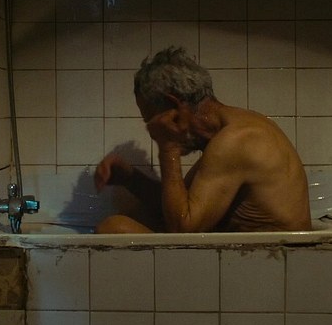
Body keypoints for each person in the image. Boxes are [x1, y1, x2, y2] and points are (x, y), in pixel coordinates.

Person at [94, 46, 311, 234]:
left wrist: (168, 147)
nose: (153, 133)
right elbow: (178, 206)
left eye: (152, 121)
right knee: (133, 215)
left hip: (272, 259)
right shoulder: (233, 131)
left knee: (113, 228)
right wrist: (131, 179)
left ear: (174, 107)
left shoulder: (236, 140)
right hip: (256, 255)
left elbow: (183, 228)